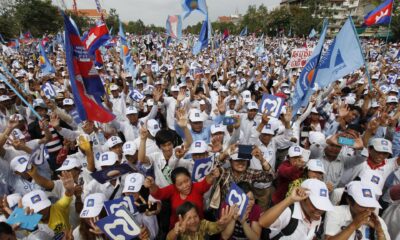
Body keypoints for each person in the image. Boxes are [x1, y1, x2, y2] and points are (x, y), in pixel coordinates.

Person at [144, 166, 220, 229]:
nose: (185, 186)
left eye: (187, 181)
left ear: (190, 178)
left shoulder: (197, 187)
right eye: (180, 184)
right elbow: (158, 194)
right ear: (174, 185)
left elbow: (206, 182)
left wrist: (212, 174)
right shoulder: (172, 189)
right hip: (178, 228)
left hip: (198, 227)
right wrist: (152, 185)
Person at [259, 179, 334, 239]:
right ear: (303, 198)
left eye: (323, 206)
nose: (320, 210)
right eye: (316, 205)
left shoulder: (317, 218)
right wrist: (290, 199)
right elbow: (262, 222)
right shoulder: (289, 212)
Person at [324, 181, 390, 240]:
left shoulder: (378, 221)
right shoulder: (335, 212)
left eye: (371, 206)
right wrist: (354, 225)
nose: (368, 210)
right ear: (349, 201)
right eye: (363, 205)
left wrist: (379, 231)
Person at [166, 201, 237, 240]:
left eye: (195, 216)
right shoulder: (180, 230)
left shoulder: (202, 223)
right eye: (188, 218)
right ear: (181, 220)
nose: (193, 220)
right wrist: (175, 232)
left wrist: (221, 223)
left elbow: (216, 227)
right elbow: (169, 238)